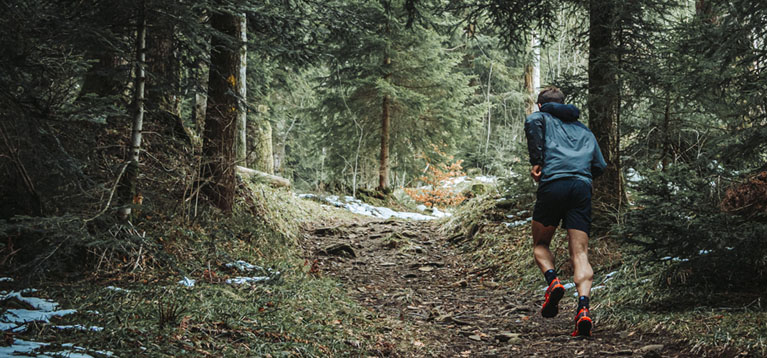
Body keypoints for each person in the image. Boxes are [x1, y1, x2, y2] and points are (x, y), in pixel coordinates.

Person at [523, 86, 607, 337]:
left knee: (540, 244)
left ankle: (554, 282)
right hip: (581, 188)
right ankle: (583, 310)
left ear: (541, 105)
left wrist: (536, 161)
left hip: (553, 185)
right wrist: (580, 175)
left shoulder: (540, 117)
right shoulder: (584, 130)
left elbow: (532, 122)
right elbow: (599, 166)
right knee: (580, 253)